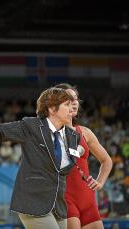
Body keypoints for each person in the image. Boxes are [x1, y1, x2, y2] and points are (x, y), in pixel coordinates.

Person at [0, 87, 80, 229]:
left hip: (59, 207)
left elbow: (63, 170)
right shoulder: (32, 127)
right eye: (66, 105)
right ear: (52, 109)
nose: (71, 109)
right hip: (33, 202)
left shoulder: (74, 136)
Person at [55, 83, 112, 229]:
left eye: (75, 99)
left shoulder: (85, 132)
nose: (74, 102)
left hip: (88, 199)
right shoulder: (49, 134)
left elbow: (106, 160)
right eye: (68, 99)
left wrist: (100, 181)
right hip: (65, 198)